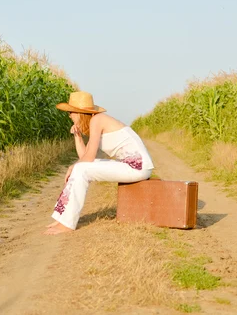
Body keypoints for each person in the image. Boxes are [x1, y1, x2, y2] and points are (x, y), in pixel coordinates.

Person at [44, 91, 154, 235]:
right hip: (130, 164)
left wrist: (73, 166)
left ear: (79, 112)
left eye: (71, 112)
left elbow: (87, 159)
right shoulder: (94, 122)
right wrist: (77, 137)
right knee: (80, 168)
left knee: (80, 170)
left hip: (138, 166)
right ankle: (61, 218)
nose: (69, 115)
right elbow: (85, 156)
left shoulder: (98, 120)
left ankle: (67, 224)